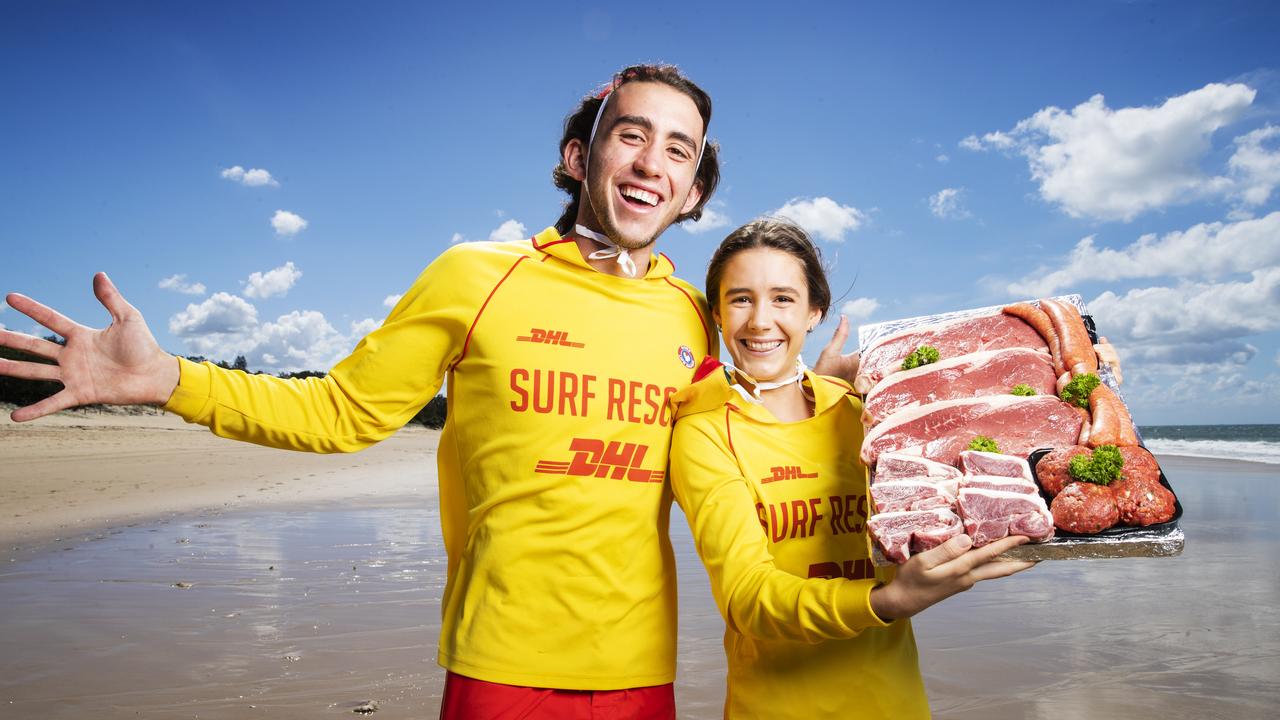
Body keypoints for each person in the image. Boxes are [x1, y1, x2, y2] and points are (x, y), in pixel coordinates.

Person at [1, 64, 844, 719]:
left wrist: (853, 401)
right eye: (631, 135)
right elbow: (338, 412)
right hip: (499, 665)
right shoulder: (474, 276)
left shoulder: (694, 317)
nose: (651, 162)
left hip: (643, 672)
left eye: (678, 149)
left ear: (693, 191)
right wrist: (168, 378)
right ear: (579, 156)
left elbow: (751, 434)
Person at [667, 219, 1041, 719]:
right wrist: (885, 602)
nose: (759, 321)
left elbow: (991, 423)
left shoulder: (863, 413)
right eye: (740, 299)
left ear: (814, 311)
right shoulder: (705, 432)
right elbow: (747, 598)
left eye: (782, 298)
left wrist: (1076, 370)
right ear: (716, 312)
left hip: (894, 703)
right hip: (776, 706)